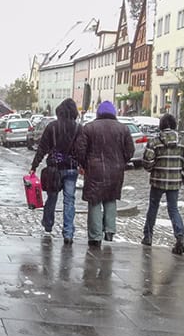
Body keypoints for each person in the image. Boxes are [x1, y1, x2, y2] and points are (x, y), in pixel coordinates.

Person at [74, 100, 134, 247]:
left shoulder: (89, 128)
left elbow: (80, 150)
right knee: (110, 199)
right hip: (115, 170)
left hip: (94, 170)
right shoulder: (123, 129)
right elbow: (130, 151)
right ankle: (109, 230)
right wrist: (121, 161)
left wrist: (83, 164)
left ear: (98, 113)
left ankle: (95, 236)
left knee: (95, 201)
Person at [141, 113, 184, 254]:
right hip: (174, 182)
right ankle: (181, 236)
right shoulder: (183, 141)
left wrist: (153, 168)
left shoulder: (155, 142)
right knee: (173, 209)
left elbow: (147, 162)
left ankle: (148, 236)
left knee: (153, 207)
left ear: (161, 125)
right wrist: (179, 168)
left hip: (157, 181)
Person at [29, 98, 80, 245]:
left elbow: (42, 148)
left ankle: (48, 224)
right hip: (71, 168)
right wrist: (83, 165)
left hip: (54, 169)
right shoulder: (78, 128)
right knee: (69, 201)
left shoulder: (52, 127)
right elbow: (82, 150)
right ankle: (68, 232)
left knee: (52, 197)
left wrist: (34, 165)